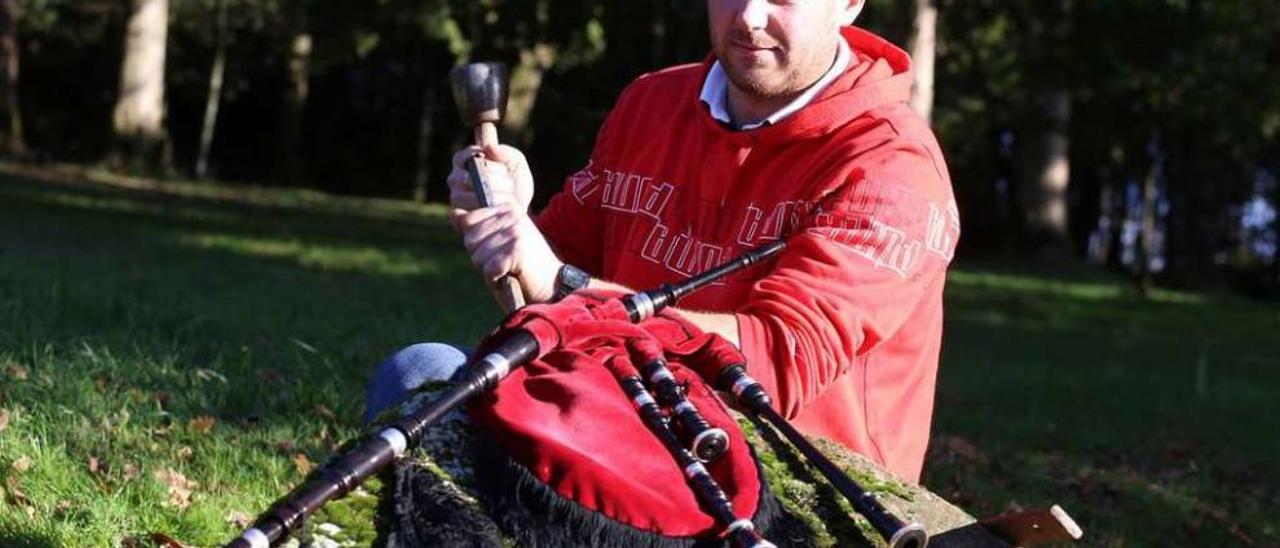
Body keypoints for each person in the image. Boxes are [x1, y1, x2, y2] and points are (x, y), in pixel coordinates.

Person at [369, 0, 959, 483]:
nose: (749, 17)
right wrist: (507, 221)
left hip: (778, 486)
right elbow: (538, 306)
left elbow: (774, 365)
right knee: (420, 371)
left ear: (848, 4)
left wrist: (561, 281)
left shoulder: (890, 167)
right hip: (613, 425)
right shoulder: (652, 103)